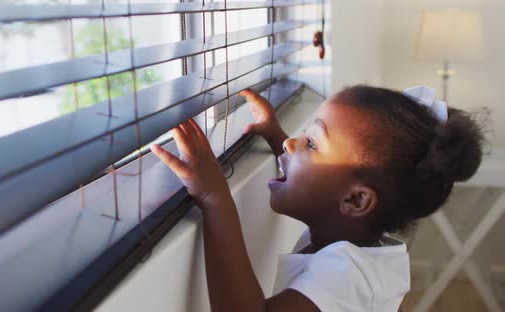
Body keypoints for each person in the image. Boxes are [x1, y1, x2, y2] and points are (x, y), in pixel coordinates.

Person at [150, 85, 486, 311]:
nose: (290, 145)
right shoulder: (352, 232)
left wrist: (214, 197)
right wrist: (275, 135)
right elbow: (323, 182)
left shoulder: (348, 278)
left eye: (311, 143)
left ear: (355, 202)